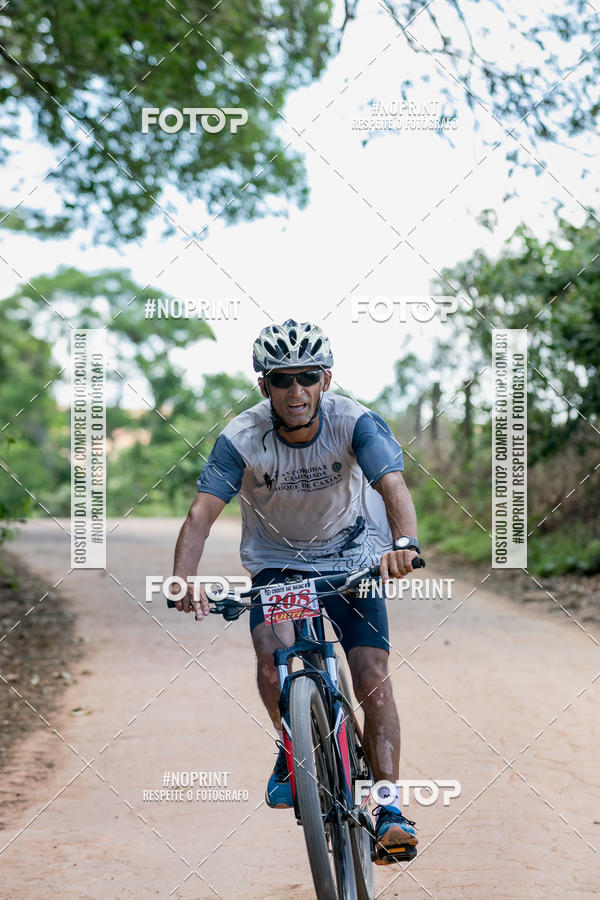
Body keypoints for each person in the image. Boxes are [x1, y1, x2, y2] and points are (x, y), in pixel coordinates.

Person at [171, 318, 421, 858]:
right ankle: (292, 748)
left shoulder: (355, 421)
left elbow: (392, 484)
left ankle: (390, 807)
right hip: (278, 565)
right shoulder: (241, 437)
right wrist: (182, 578)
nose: (296, 391)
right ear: (265, 386)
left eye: (307, 377)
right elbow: (200, 514)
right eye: (282, 379)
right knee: (270, 659)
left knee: (371, 675)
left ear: (325, 380)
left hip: (353, 554)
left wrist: (403, 542)